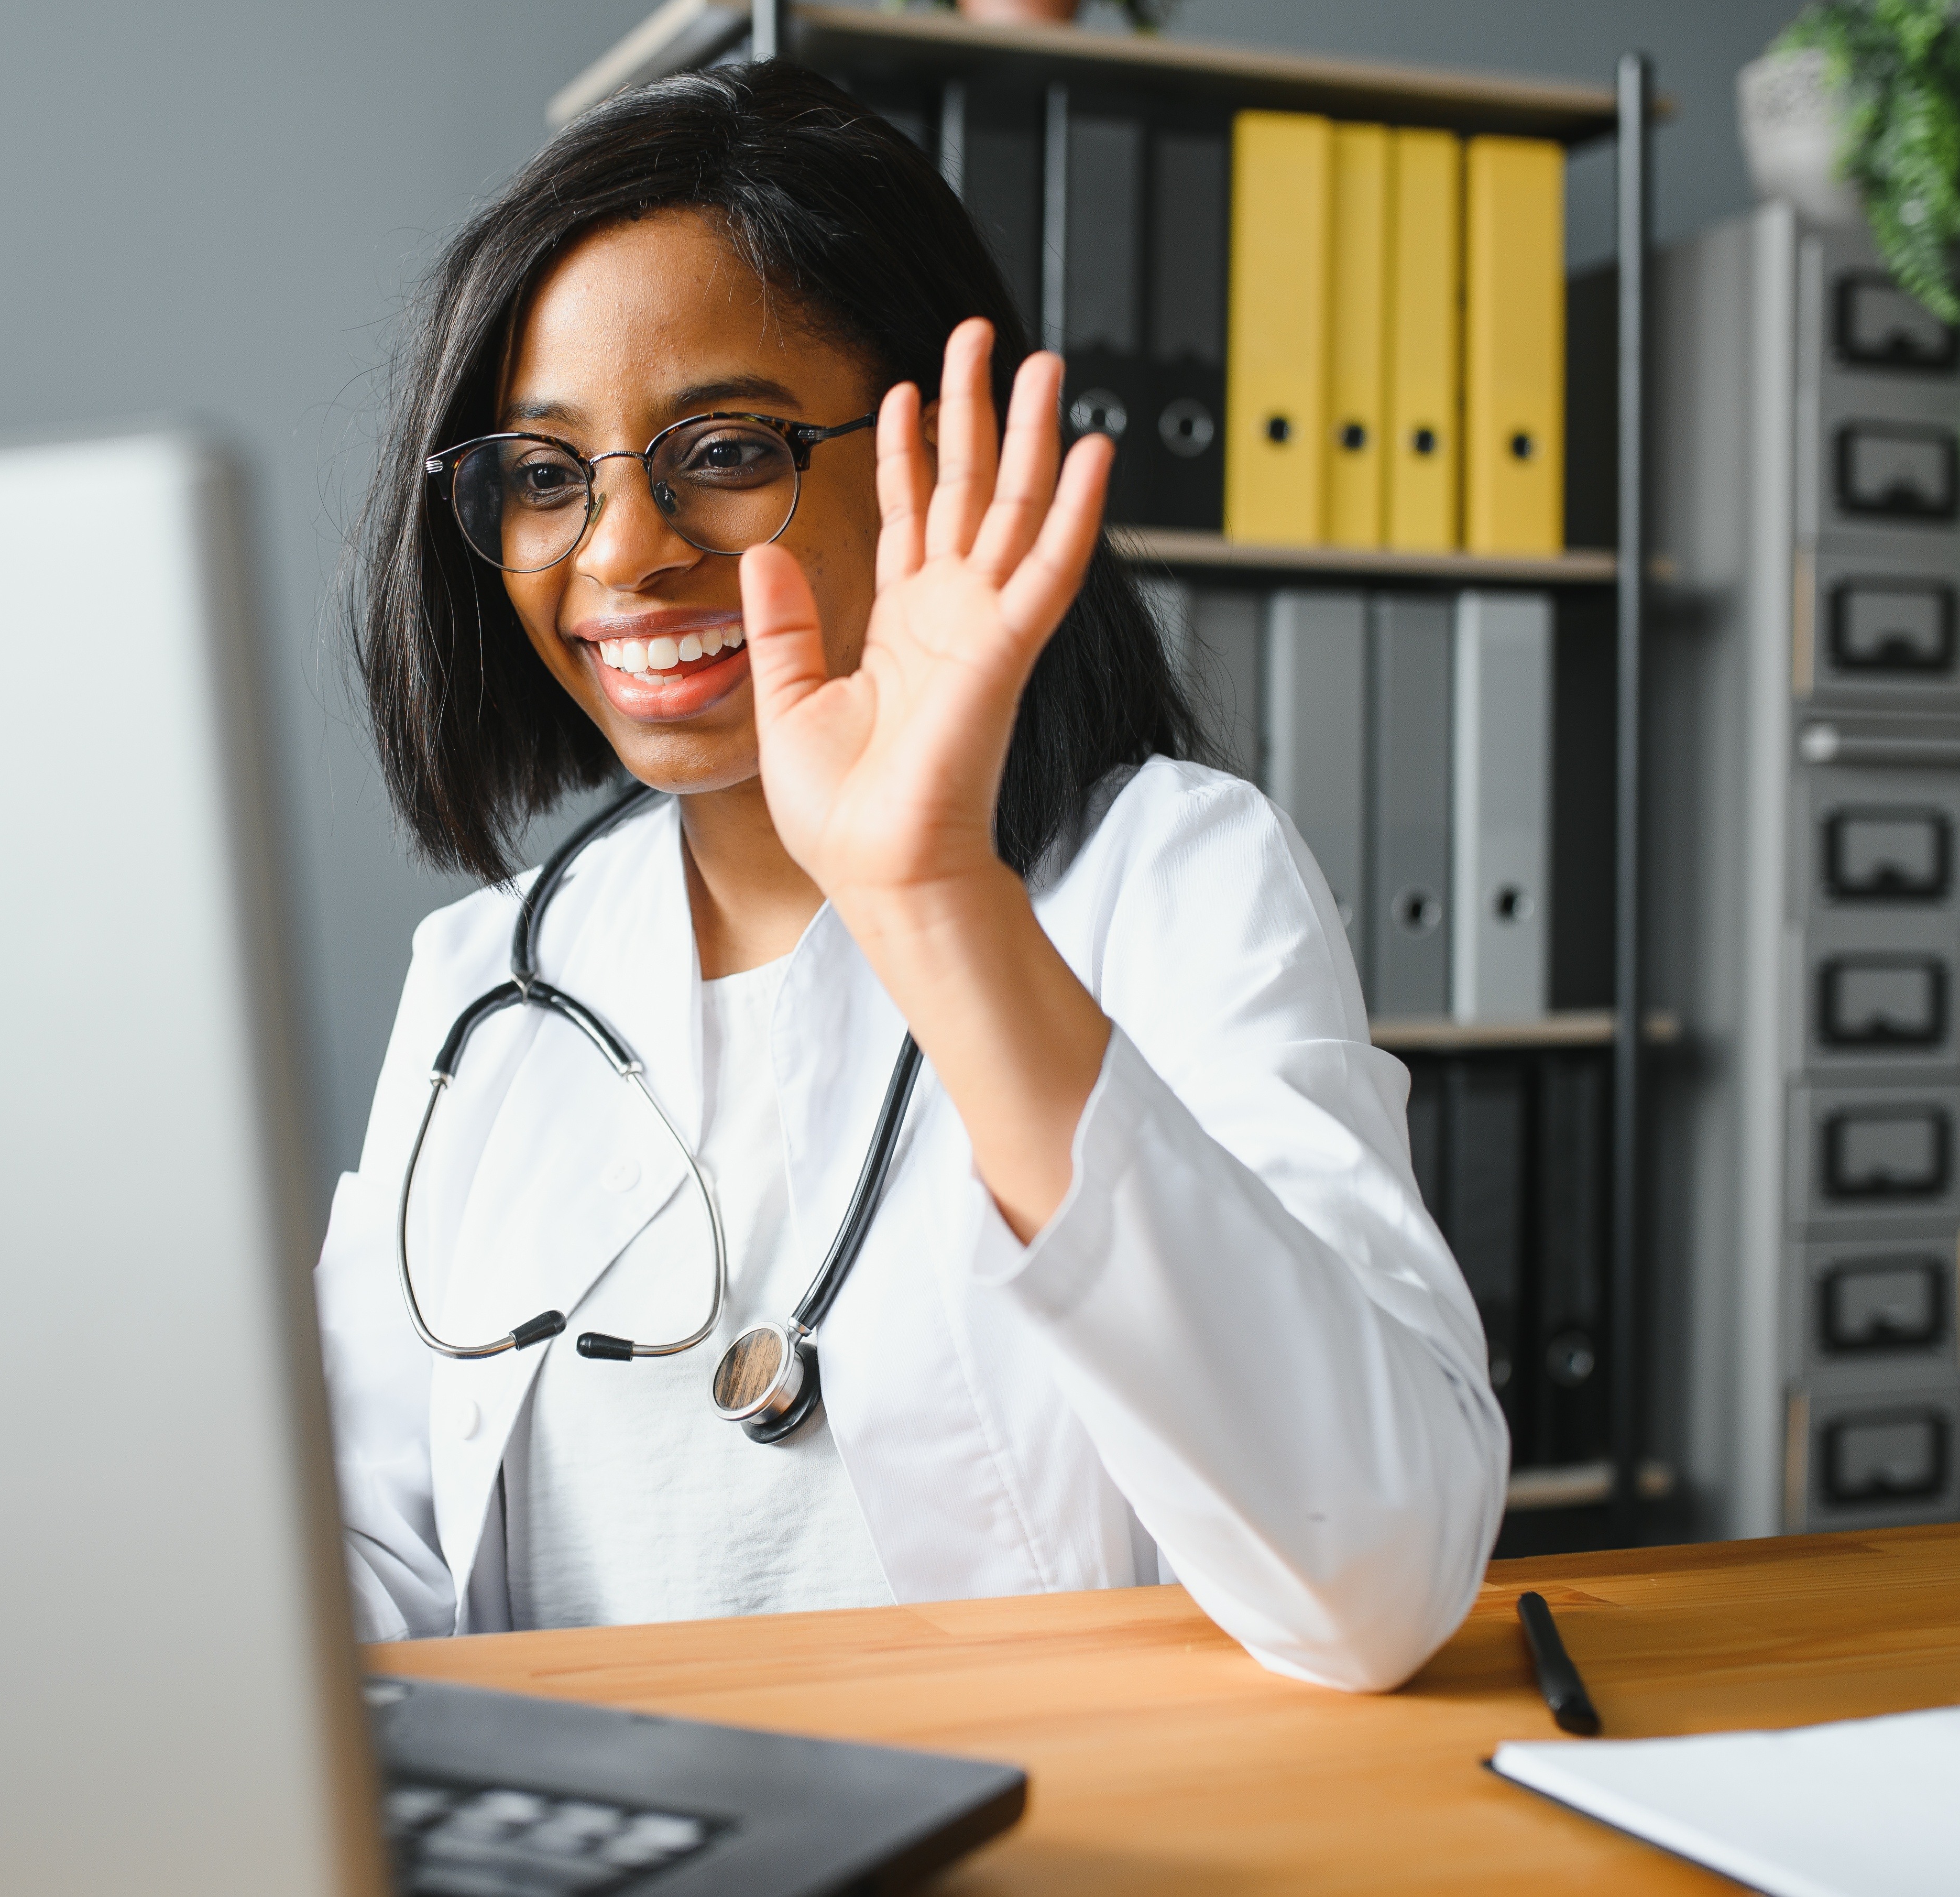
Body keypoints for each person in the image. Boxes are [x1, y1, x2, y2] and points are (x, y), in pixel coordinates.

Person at [313, 62, 1505, 1693]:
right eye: (540, 472)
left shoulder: (1168, 876)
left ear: (926, 450)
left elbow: (1374, 1578)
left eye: (719, 446)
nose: (617, 552)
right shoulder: (482, 980)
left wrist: (932, 894)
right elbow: (366, 1560)